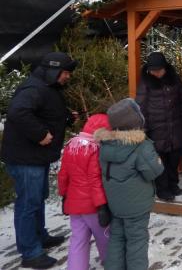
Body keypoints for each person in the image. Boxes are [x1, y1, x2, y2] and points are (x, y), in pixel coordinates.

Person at [1, 51, 78, 269]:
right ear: (53, 71)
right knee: (28, 203)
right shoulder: (34, 88)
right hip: (25, 158)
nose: (67, 77)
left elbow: (44, 113)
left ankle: (39, 236)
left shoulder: (48, 87)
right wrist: (40, 134)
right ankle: (30, 252)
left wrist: (65, 118)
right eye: (65, 73)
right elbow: (18, 112)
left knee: (37, 198)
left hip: (36, 157)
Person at [95, 98, 164, 270]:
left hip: (115, 204)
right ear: (136, 121)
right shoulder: (140, 145)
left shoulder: (106, 144)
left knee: (117, 237)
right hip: (136, 205)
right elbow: (154, 171)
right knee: (137, 241)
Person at [58, 113, 112, 269]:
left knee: (78, 239)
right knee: (104, 236)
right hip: (92, 206)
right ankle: (110, 261)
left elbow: (63, 175)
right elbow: (95, 181)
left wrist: (64, 196)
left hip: (74, 204)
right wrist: (102, 206)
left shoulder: (71, 145)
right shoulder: (95, 149)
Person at [136, 51, 182, 202]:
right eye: (153, 70)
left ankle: (173, 184)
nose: (156, 73)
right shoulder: (145, 83)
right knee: (160, 161)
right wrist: (144, 129)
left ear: (165, 68)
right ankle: (162, 189)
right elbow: (141, 107)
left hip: (175, 125)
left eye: (159, 70)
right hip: (156, 128)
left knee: (174, 158)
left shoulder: (175, 80)